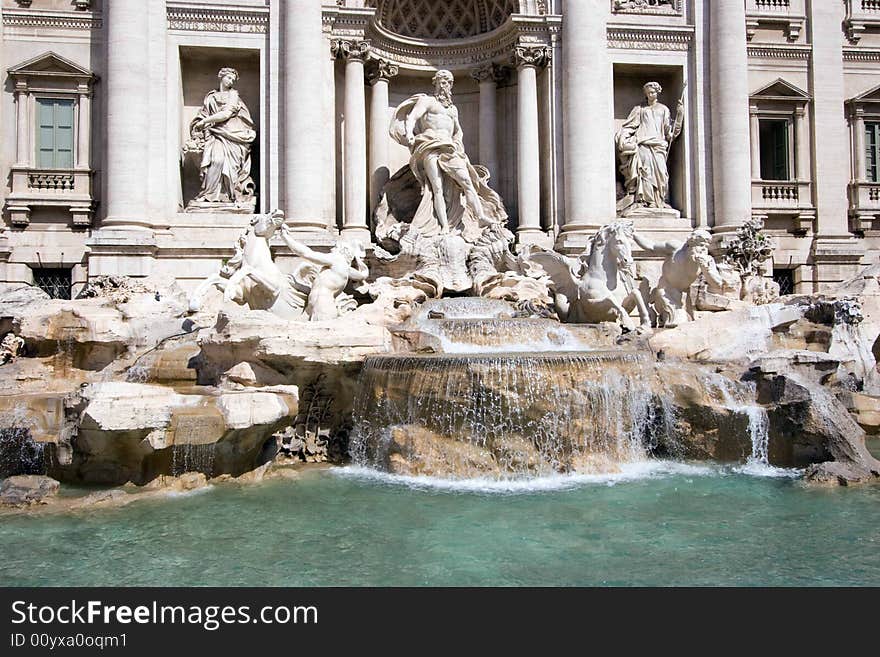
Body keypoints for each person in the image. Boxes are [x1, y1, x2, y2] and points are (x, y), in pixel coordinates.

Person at [390, 70, 507, 239]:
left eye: (449, 82)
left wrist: (458, 144)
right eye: (442, 81)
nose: (445, 85)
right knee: (437, 189)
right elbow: (412, 118)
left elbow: (457, 131)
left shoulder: (452, 109)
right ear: (435, 83)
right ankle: (444, 226)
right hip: (430, 145)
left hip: (450, 148)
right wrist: (409, 134)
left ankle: (480, 216)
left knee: (468, 182)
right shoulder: (427, 101)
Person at [187, 67, 256, 209]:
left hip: (233, 135)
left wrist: (204, 122)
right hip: (215, 134)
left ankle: (228, 195)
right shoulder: (211, 97)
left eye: (233, 79)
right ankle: (210, 195)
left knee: (229, 167)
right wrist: (199, 124)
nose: (231, 81)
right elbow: (203, 114)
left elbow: (225, 114)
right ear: (221, 77)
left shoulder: (233, 95)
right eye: (229, 77)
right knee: (216, 160)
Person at [615, 81, 683, 215]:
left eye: (653, 92)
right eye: (648, 93)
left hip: (659, 146)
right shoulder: (640, 109)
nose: (651, 95)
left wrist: (680, 115)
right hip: (643, 145)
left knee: (661, 174)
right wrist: (623, 138)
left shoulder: (664, 109)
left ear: (657, 92)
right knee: (646, 174)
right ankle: (647, 201)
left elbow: (670, 133)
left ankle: (660, 200)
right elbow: (630, 126)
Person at [632, 228, 722, 327]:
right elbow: (651, 246)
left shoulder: (707, 261)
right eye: (700, 245)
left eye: (706, 247)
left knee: (686, 322)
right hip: (666, 293)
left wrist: (706, 270)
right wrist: (633, 234)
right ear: (690, 244)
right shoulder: (675, 248)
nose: (703, 250)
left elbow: (717, 284)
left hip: (684, 297)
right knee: (678, 321)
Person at [279, 225, 369, 321]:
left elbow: (307, 253)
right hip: (313, 306)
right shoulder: (345, 269)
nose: (331, 249)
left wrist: (286, 238)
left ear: (343, 250)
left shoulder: (337, 259)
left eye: (335, 247)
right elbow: (362, 275)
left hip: (323, 305)